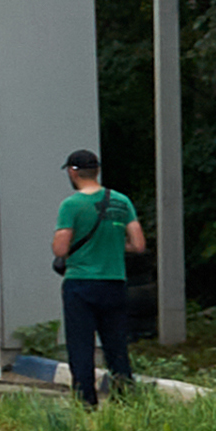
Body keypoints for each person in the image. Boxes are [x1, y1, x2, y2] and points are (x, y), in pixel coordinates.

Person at [52, 148, 148, 408]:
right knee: (116, 345)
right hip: (115, 282)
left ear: (73, 172)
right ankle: (124, 399)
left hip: (81, 284)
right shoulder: (121, 201)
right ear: (97, 170)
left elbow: (60, 249)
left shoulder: (71, 205)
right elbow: (138, 245)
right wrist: (116, 246)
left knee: (81, 346)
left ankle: (87, 403)